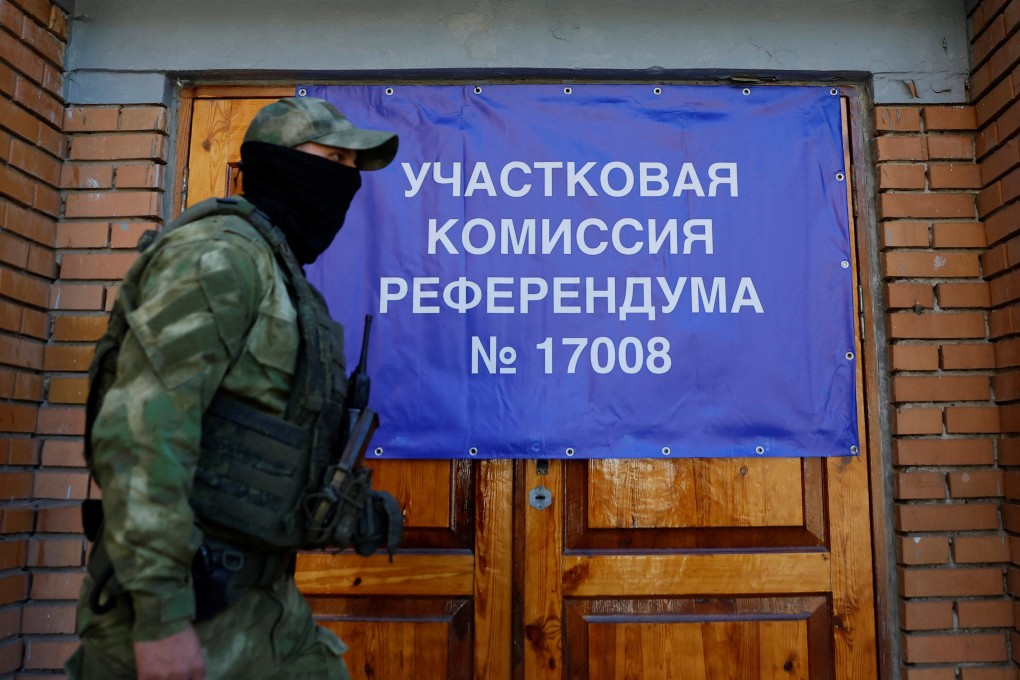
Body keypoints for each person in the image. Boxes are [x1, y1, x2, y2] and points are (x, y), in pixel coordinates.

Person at [65, 96, 403, 680]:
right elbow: (141, 433)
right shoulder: (218, 256)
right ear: (277, 164)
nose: (345, 179)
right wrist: (162, 618)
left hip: (264, 605)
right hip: (190, 605)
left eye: (353, 165)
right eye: (333, 158)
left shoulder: (278, 271)